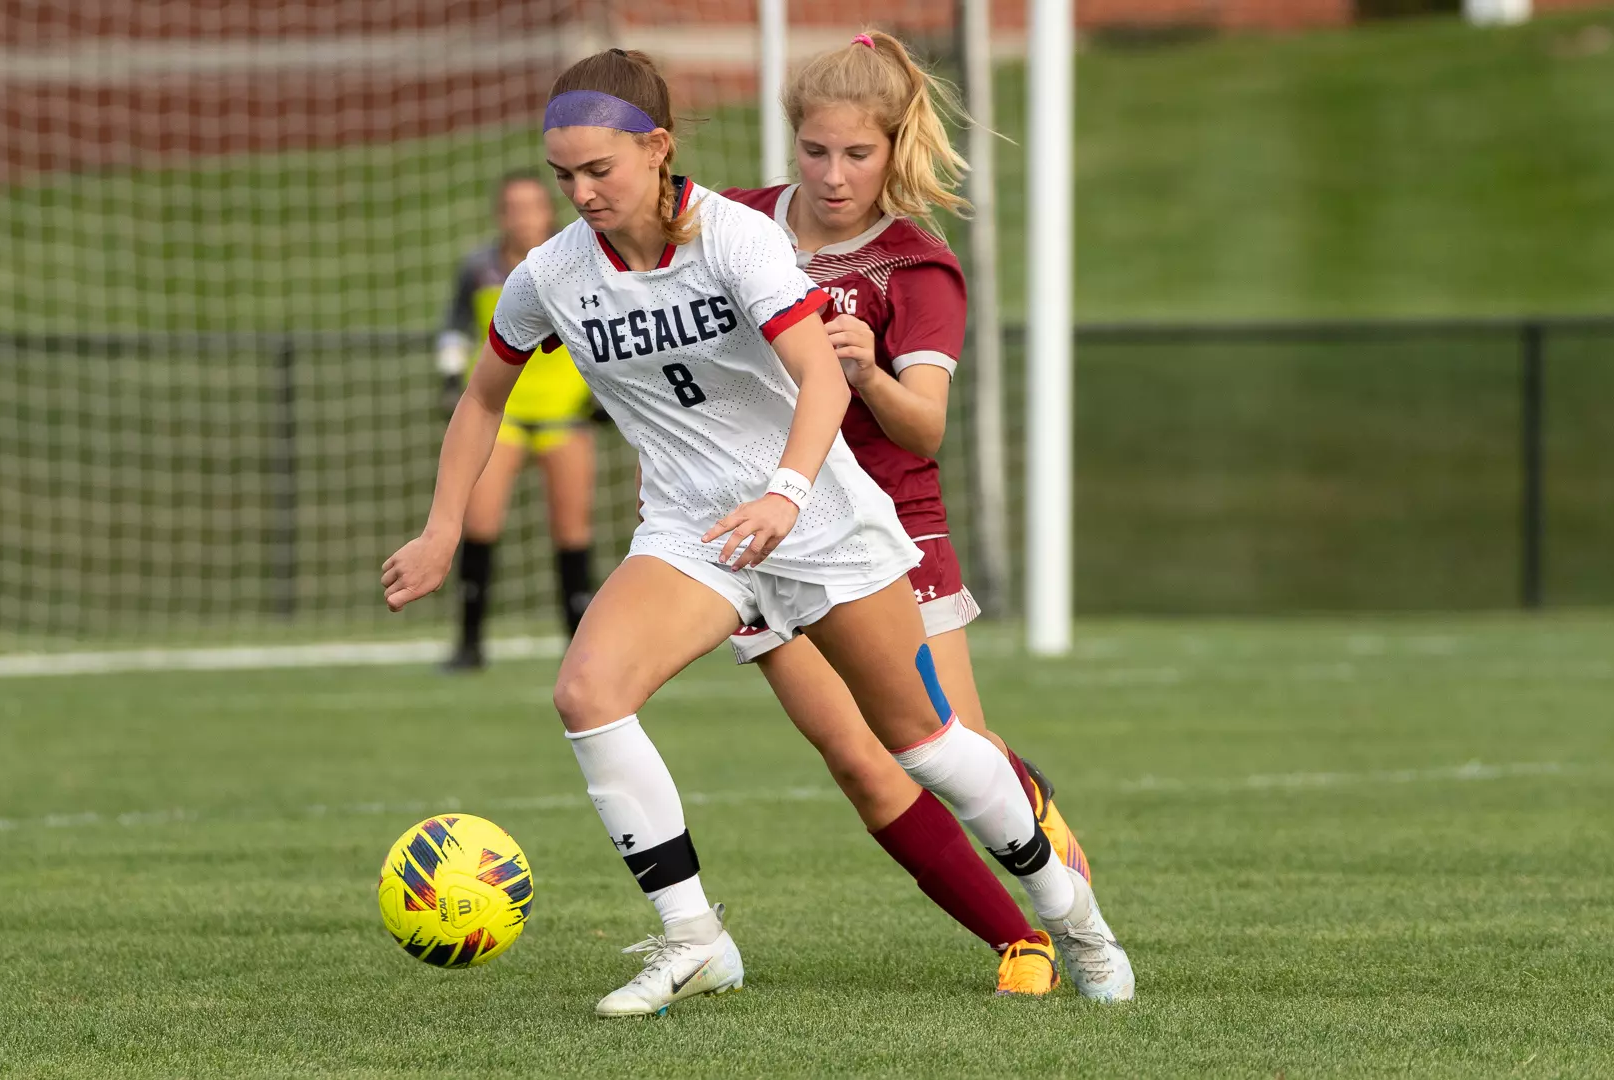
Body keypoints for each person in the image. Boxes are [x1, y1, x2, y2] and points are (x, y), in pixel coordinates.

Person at [383, 47, 1125, 1017]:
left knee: (929, 745)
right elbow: (486, 397)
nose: (582, 192)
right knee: (588, 691)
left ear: (658, 147)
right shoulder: (552, 274)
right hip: (697, 533)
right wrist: (443, 529)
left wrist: (783, 492)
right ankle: (694, 939)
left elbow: (822, 376)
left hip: (818, 518)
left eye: (600, 169)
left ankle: (1073, 919)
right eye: (565, 174)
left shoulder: (735, 238)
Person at [720, 30, 1133, 1002]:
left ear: (895, 146)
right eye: (815, 150)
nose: (833, 174)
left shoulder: (915, 265)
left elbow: (928, 428)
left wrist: (863, 369)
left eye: (857, 154)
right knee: (859, 763)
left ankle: (1041, 834)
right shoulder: (738, 227)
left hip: (890, 527)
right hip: (771, 529)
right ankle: (1018, 941)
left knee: (949, 751)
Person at [434, 173, 599, 670]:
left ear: (548, 212)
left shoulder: (577, 263)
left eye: (532, 207)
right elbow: (455, 328)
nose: (524, 217)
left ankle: (581, 646)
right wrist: (447, 376)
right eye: (513, 207)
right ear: (499, 215)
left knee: (571, 529)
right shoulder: (479, 268)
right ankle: (469, 643)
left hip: (565, 414)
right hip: (501, 414)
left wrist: (602, 394)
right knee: (479, 521)